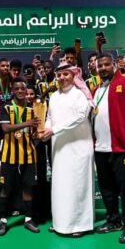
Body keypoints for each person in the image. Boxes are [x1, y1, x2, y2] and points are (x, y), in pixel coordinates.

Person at [90, 54, 125, 243]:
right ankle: (113, 220)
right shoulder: (97, 89)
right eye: (100, 65)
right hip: (101, 148)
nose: (103, 68)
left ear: (114, 65)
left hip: (121, 147)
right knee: (107, 188)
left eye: (106, 64)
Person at [39, 62, 94, 237]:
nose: (62, 78)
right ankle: (61, 222)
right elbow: (49, 117)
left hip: (78, 147)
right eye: (59, 75)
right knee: (61, 185)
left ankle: (79, 225)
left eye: (66, 74)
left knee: (77, 185)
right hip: (59, 148)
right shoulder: (54, 96)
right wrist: (46, 130)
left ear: (74, 75)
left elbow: (80, 117)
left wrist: (54, 130)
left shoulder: (80, 95)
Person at [0, 78, 41, 236]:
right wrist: (27, 124)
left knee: (28, 187)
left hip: (28, 155)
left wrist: (36, 133)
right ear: (13, 91)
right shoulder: (6, 107)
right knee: (6, 188)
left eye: (23, 89)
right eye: (17, 89)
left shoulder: (31, 109)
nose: (21, 91)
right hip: (9, 155)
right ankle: (2, 221)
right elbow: (6, 128)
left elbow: (33, 132)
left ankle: (28, 219)